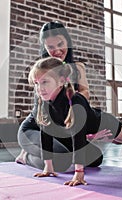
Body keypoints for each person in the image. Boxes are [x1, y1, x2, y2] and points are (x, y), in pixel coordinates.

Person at [29, 57, 122, 186]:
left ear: (61, 81)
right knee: (120, 142)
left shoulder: (76, 100)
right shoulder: (44, 103)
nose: (39, 88)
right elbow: (45, 134)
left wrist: (79, 172)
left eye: (45, 82)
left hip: (104, 124)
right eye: (36, 83)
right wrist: (48, 167)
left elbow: (78, 138)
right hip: (90, 132)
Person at [16, 21, 104, 172]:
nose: (56, 50)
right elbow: (43, 112)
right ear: (44, 47)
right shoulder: (41, 69)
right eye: (50, 47)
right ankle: (26, 156)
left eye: (60, 44)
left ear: (67, 42)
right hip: (37, 129)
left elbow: (84, 95)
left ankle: (35, 152)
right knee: (61, 161)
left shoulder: (77, 67)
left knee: (96, 157)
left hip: (63, 128)